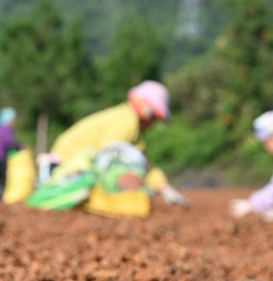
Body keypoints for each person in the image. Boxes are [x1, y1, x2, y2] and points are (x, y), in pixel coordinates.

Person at [46, 80, 187, 206]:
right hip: (65, 165)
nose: (153, 124)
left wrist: (164, 187)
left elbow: (145, 163)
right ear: (147, 112)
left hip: (72, 163)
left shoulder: (132, 127)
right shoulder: (125, 122)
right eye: (154, 118)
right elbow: (109, 158)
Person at [0, 107, 21, 194]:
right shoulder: (6, 129)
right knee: (1, 176)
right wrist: (18, 147)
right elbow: (8, 142)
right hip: (0, 156)